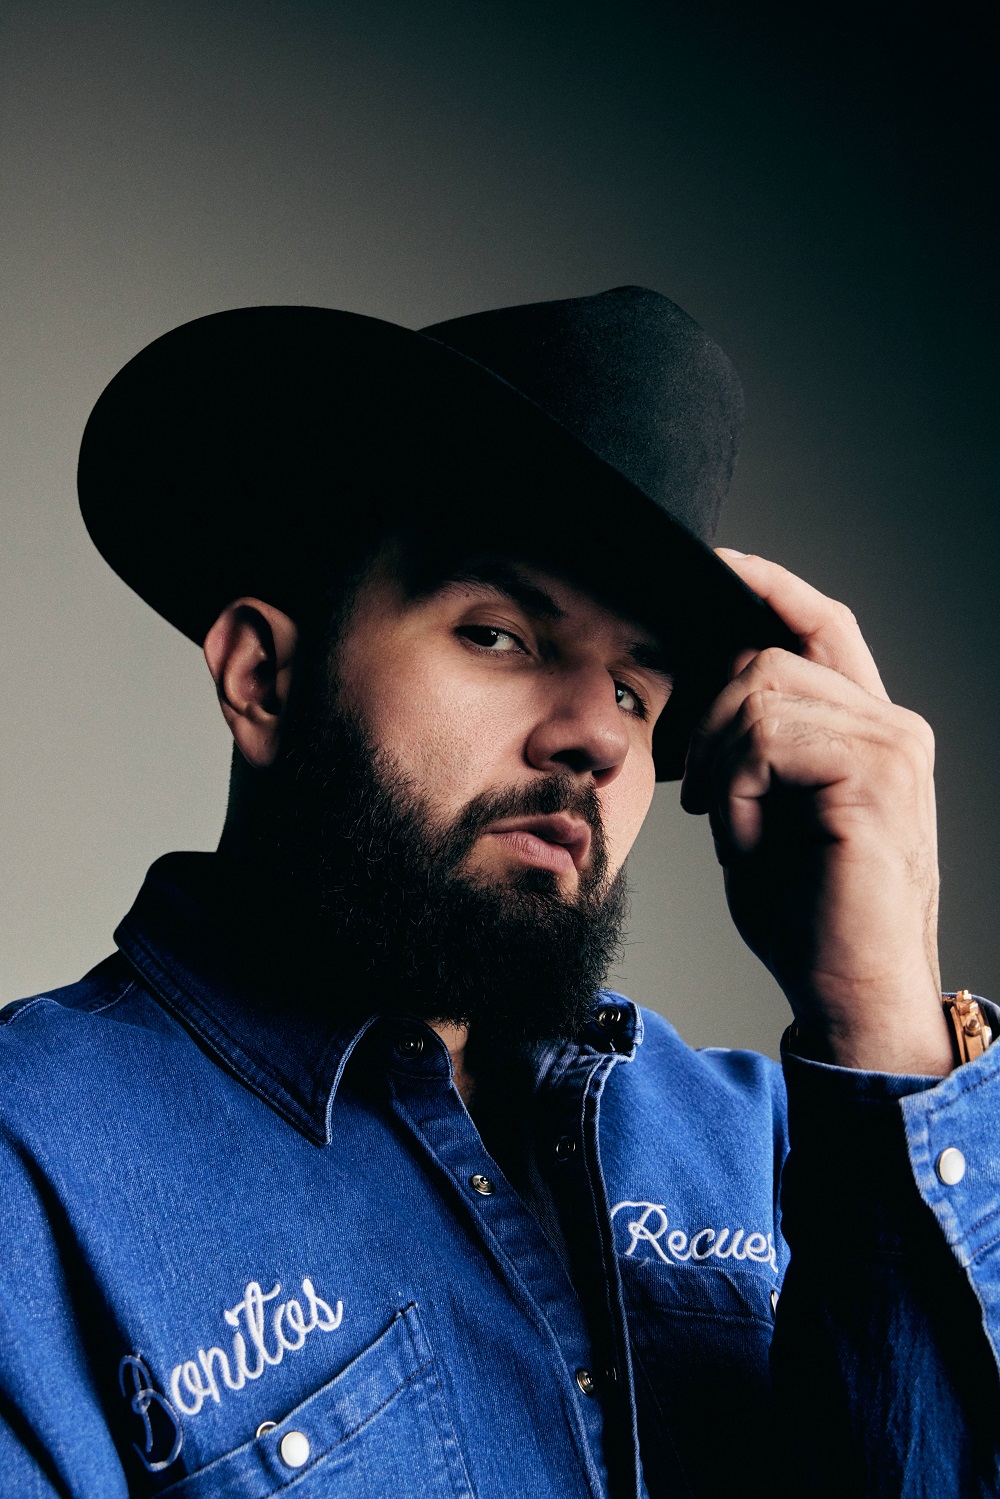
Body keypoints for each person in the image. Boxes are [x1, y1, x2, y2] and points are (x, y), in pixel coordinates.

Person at [1, 287, 997, 1499]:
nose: (597, 737)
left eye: (635, 690)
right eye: (499, 634)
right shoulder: (31, 1177)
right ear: (263, 675)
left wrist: (880, 1016)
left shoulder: (767, 1144)